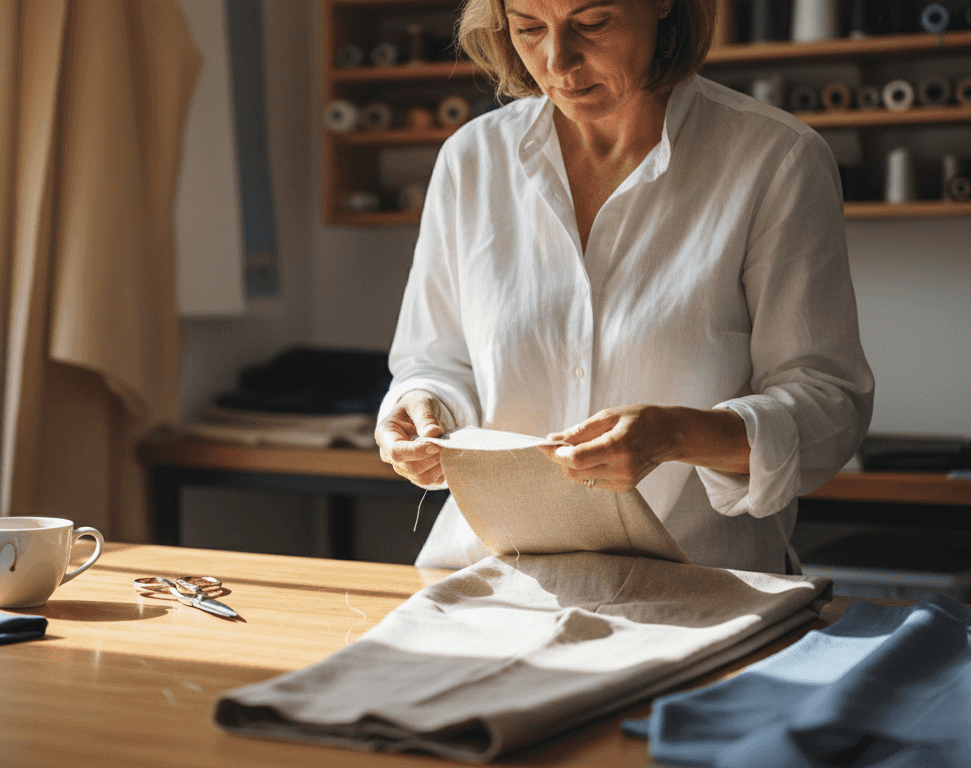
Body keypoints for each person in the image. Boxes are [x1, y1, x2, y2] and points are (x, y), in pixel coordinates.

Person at [374, 0, 874, 575]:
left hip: (700, 588)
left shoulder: (775, 159)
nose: (558, 62)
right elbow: (435, 362)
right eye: (529, 28)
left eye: (592, 23)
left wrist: (678, 435)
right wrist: (423, 407)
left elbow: (828, 407)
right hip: (492, 579)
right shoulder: (472, 160)